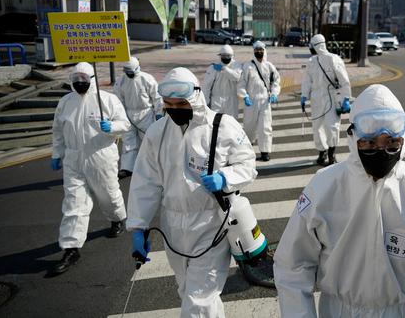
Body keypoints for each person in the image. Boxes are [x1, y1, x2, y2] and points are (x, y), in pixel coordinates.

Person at [274, 84, 405, 317]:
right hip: (341, 312)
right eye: (369, 143)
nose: (381, 151)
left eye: (391, 142)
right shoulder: (324, 188)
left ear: (402, 140)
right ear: (353, 138)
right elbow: (293, 265)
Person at [126, 67, 257, 317]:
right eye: (168, 104)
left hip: (211, 225)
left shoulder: (222, 126)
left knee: (199, 301)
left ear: (195, 97)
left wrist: (225, 177)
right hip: (173, 227)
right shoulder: (157, 132)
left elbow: (247, 164)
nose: (174, 109)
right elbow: (146, 182)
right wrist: (138, 226)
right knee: (189, 290)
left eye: (180, 103)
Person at [48, 62, 130, 276]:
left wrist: (112, 127)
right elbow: (58, 130)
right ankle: (71, 248)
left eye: (84, 79)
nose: (80, 83)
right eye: (76, 80)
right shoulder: (65, 102)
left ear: (92, 79)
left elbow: (125, 124)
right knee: (74, 203)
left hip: (101, 156)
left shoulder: (107, 100)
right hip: (73, 159)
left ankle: (117, 218)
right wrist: (57, 153)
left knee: (109, 196)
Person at [301, 34, 351, 166]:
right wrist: (304, 95)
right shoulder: (311, 62)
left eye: (312, 46)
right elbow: (307, 81)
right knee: (317, 127)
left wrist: (346, 98)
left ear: (317, 46)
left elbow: (344, 81)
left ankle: (331, 154)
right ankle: (321, 152)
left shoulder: (334, 59)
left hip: (331, 98)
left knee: (332, 126)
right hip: (316, 98)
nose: (310, 49)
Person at [113, 57, 163, 179]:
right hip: (128, 115)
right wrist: (119, 115)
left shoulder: (147, 79)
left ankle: (151, 167)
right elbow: (117, 100)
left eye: (130, 71)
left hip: (145, 114)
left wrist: (159, 112)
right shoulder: (121, 81)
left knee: (148, 140)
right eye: (126, 71)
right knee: (128, 141)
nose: (128, 73)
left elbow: (157, 97)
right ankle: (127, 168)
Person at [237, 41, 281, 162]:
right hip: (251, 101)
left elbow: (276, 81)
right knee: (249, 126)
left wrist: (274, 93)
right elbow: (241, 84)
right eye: (256, 50)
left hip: (265, 101)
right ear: (253, 51)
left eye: (261, 50)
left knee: (265, 127)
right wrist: (244, 96)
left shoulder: (270, 66)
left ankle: (265, 151)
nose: (259, 52)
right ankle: (247, 150)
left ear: (265, 50)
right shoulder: (248, 66)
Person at [202, 44, 242, 118]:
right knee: (216, 123)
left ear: (232, 56)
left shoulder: (236, 65)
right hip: (216, 100)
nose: (226, 58)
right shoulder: (213, 68)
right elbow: (206, 86)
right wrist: (206, 101)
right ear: (220, 56)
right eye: (223, 56)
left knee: (231, 123)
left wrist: (223, 69)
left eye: (228, 56)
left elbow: (236, 77)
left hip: (231, 100)